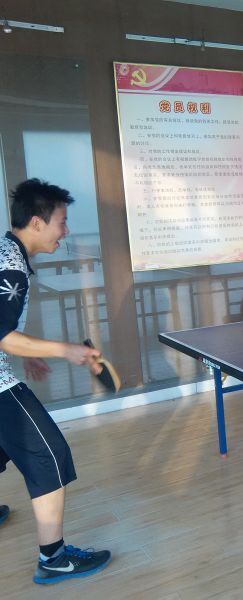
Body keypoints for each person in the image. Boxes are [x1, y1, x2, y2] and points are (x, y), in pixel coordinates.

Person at [0, 179, 112, 585]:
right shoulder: (11, 264)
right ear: (36, 222)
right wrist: (65, 350)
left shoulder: (7, 251)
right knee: (48, 456)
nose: (65, 231)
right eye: (61, 222)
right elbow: (1, 333)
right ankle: (53, 559)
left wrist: (24, 350)